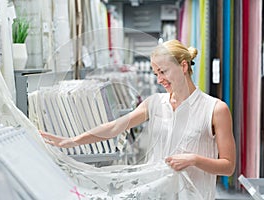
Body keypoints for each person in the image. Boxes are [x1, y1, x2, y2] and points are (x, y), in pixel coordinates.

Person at [40, 39, 236, 199]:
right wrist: (73, 141)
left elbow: (228, 166)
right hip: (156, 194)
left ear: (183, 66)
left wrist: (194, 160)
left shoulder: (215, 109)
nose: (159, 79)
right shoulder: (155, 103)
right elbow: (115, 127)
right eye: (156, 73)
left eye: (163, 71)